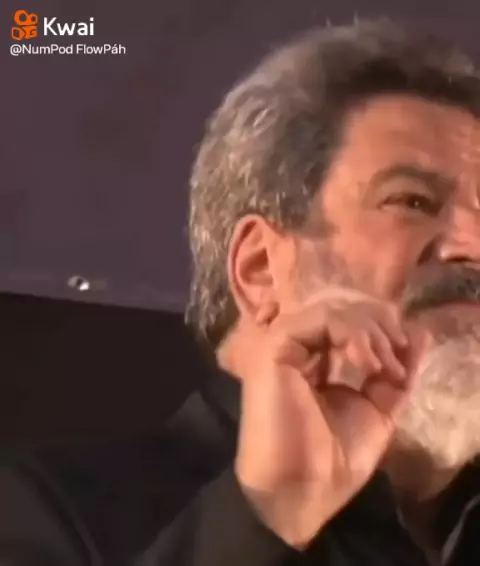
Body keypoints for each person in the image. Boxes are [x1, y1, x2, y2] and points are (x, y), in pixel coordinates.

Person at [138, 18, 480, 566]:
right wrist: (267, 515)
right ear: (260, 269)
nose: (471, 245)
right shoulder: (41, 511)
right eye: (413, 201)